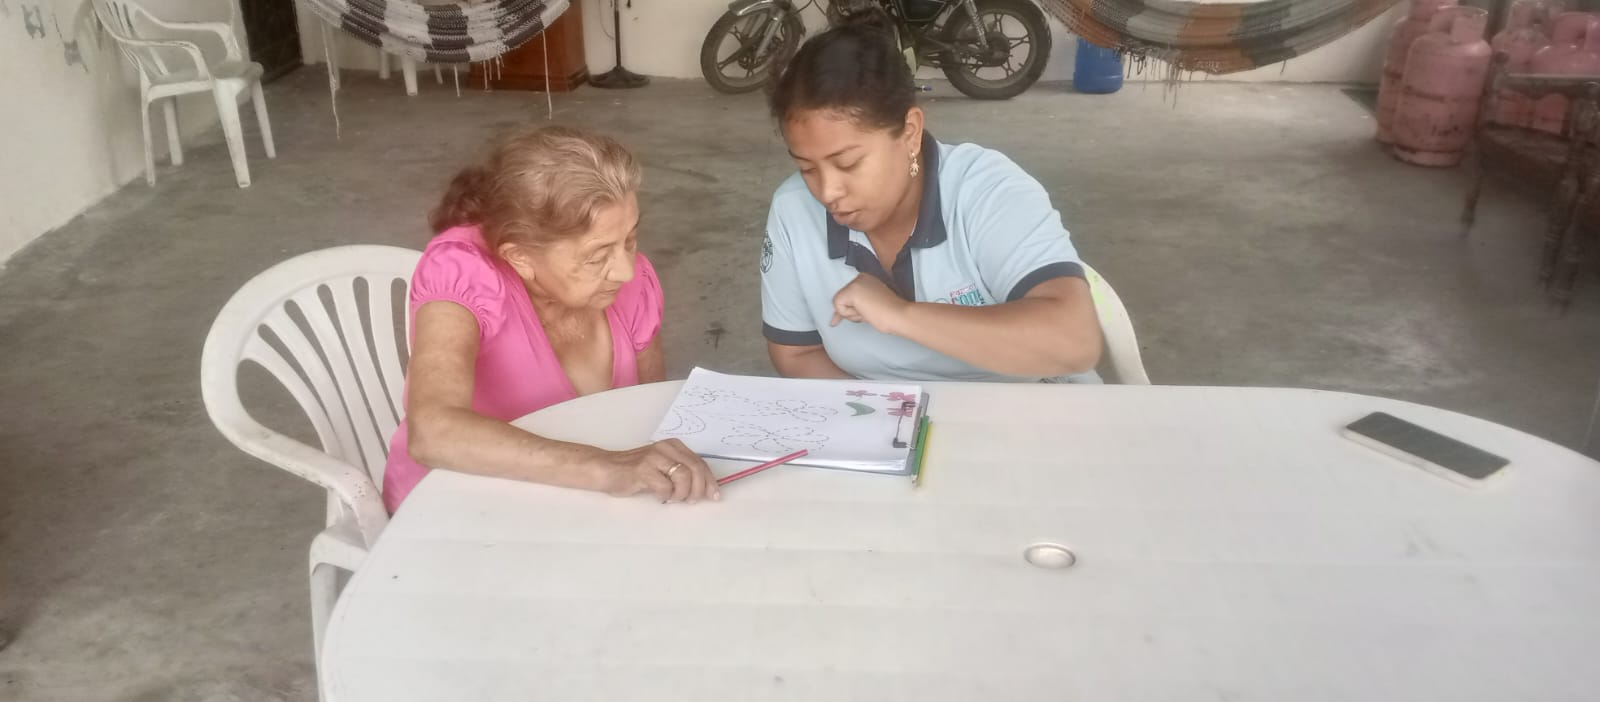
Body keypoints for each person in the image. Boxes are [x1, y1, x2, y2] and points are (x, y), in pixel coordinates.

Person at [759, 5, 1103, 382]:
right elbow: (797, 353)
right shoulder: (794, 210)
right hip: (886, 417)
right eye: (807, 168)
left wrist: (901, 316)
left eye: (848, 163)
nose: (827, 192)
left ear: (910, 132)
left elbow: (1074, 341)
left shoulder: (987, 191)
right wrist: (889, 415)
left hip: (1036, 409)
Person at [384, 125, 717, 513]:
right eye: (596, 257)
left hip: (570, 504)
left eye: (629, 239)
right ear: (520, 257)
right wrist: (607, 468)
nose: (626, 271)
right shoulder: (462, 272)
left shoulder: (631, 284)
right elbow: (433, 432)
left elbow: (647, 411)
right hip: (446, 507)